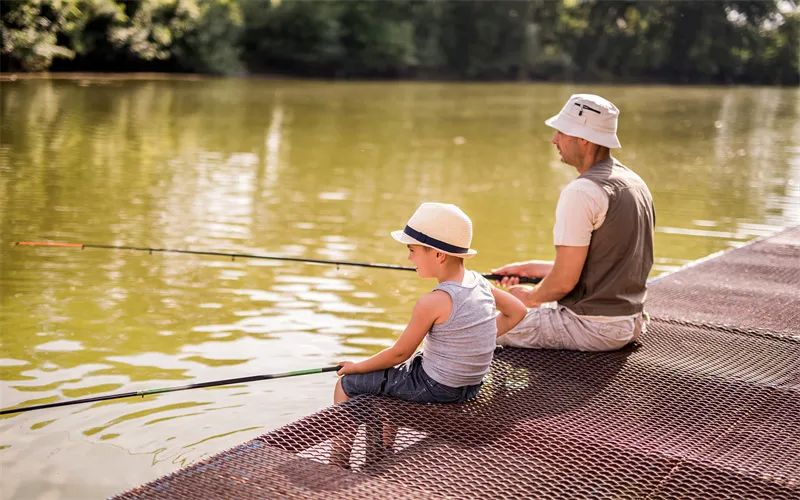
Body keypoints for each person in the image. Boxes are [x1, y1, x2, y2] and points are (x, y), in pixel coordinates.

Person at [493, 94, 655, 352]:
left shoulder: (582, 192)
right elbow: (609, 264)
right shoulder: (634, 182)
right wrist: (530, 268)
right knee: (509, 305)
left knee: (472, 327)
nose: (554, 139)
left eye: (561, 132)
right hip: (629, 322)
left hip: (589, 327)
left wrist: (530, 297)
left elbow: (564, 283)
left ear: (583, 138)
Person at [334, 202, 527, 405]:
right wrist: (472, 342)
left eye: (412, 250)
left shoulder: (434, 301)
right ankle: (385, 437)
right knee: (395, 376)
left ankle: (339, 438)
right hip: (471, 386)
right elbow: (517, 311)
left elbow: (399, 353)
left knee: (348, 384)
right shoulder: (480, 283)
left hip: (436, 388)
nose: (409, 258)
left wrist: (356, 367)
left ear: (438, 255)